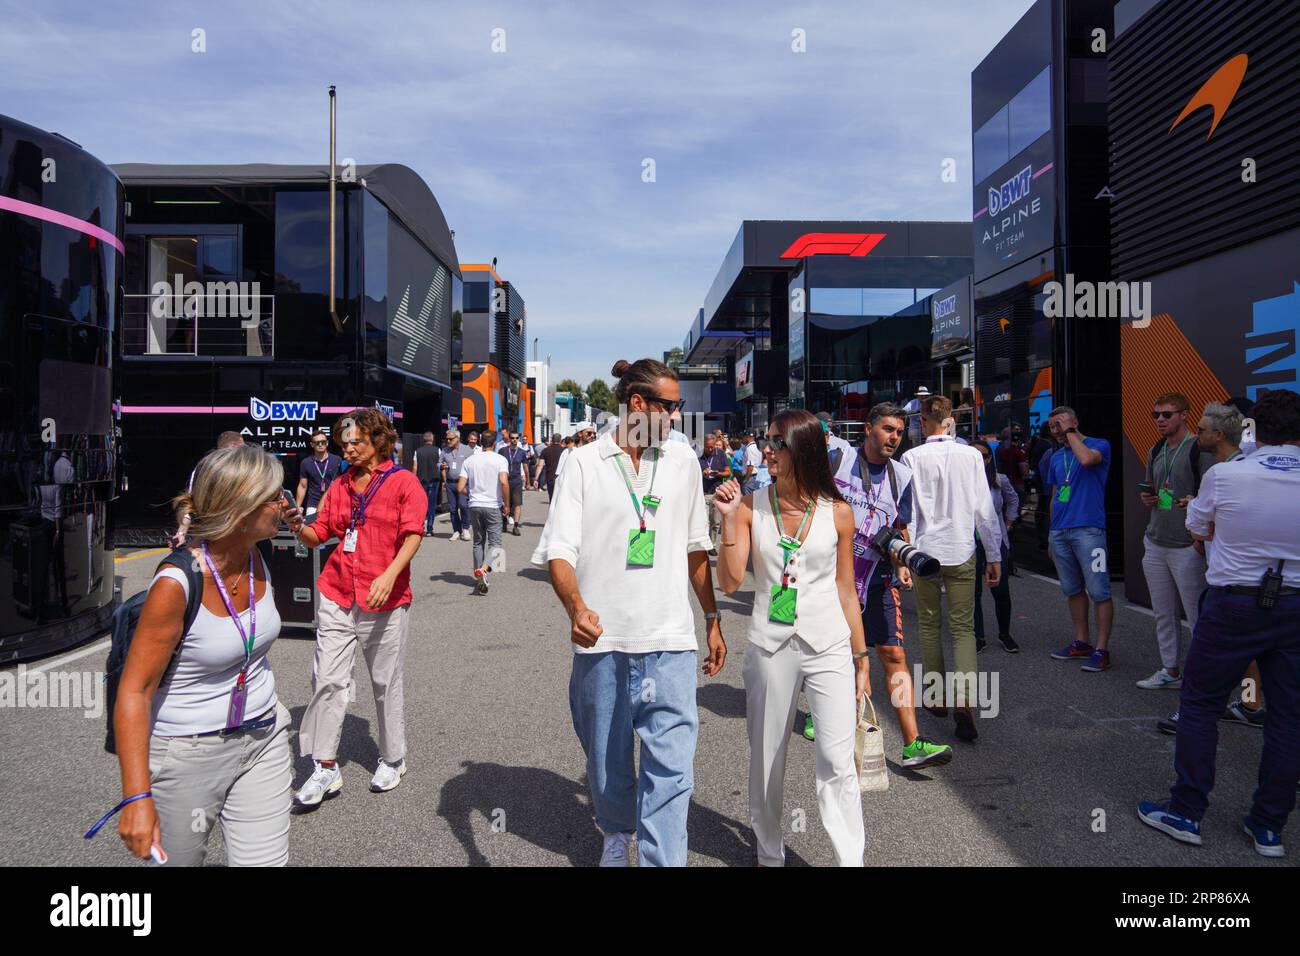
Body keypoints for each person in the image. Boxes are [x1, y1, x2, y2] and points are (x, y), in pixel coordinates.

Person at [532, 358, 726, 867]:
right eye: (670, 405)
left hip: (671, 642)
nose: (678, 415)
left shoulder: (682, 463)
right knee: (607, 762)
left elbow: (694, 547)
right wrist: (575, 607)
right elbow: (560, 551)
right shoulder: (582, 463)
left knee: (672, 770)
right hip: (605, 644)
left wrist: (711, 618)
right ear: (637, 405)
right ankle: (616, 831)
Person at [111, 444, 292, 866]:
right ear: (242, 508)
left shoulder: (257, 557)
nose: (284, 504)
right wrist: (136, 796)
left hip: (263, 737)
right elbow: (134, 691)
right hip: (187, 754)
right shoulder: (176, 583)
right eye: (275, 497)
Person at [1139, 389, 1300, 858]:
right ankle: (1268, 827)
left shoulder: (1228, 476)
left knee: (1200, 705)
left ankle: (1186, 812)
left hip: (1234, 604)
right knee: (1288, 718)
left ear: (1255, 429)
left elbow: (1198, 530)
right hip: (1294, 604)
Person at [713, 409, 868, 866]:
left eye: (777, 442)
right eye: (767, 439)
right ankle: (768, 853)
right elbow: (728, 582)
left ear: (804, 449)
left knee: (838, 761)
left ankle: (850, 859)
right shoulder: (749, 506)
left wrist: (861, 656)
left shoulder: (838, 512)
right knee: (767, 758)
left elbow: (845, 588)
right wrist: (725, 521)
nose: (767, 449)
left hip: (829, 643)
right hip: (770, 645)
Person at [286, 407, 426, 805]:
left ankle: (393, 758)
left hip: (385, 599)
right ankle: (325, 767)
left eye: (355, 442)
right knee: (327, 680)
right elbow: (319, 535)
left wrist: (389, 574)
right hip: (337, 594)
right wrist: (297, 525)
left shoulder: (404, 483)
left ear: (378, 441)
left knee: (384, 683)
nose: (346, 448)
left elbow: (413, 535)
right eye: (342, 442)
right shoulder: (340, 484)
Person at [833, 402, 953, 767]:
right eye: (887, 429)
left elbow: (901, 523)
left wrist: (903, 558)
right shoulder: (837, 461)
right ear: (867, 429)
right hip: (834, 577)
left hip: (878, 578)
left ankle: (912, 743)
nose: (894, 438)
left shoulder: (902, 476)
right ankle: (823, 717)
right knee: (835, 655)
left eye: (899, 432)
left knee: (894, 655)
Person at [899, 393, 1002, 742]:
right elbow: (984, 510)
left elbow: (907, 513)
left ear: (924, 422)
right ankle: (965, 700)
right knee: (963, 628)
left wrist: (904, 555)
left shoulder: (911, 457)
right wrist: (995, 554)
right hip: (961, 548)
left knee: (929, 624)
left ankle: (935, 694)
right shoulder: (972, 455)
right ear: (951, 421)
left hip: (925, 551)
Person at [1156, 402, 1261, 734]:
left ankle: (1192, 714)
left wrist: (1198, 513)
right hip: (1249, 580)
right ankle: (1250, 704)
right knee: (1251, 651)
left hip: (1232, 583)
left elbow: (1200, 527)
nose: (1196, 435)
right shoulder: (1248, 467)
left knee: (1207, 655)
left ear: (1219, 434)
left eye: (1200, 430)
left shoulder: (1224, 472)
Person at [1136, 393, 1213, 690]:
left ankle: (1202, 678)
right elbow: (1153, 490)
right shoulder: (1156, 449)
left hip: (1186, 545)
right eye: (1156, 415)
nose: (1160, 420)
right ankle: (1170, 669)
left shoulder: (1198, 448)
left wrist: (1198, 540)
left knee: (1196, 616)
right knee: (1163, 612)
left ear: (1184, 415)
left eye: (1166, 414)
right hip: (1155, 540)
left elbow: (1212, 494)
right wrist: (1147, 497)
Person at [1042, 406, 1114, 672]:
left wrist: (1071, 433)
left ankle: (1102, 647)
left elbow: (1086, 460)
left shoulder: (1099, 445)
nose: (1057, 431)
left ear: (1074, 423)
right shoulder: (1056, 456)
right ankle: (1082, 641)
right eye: (1053, 427)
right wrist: (1050, 533)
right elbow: (1054, 493)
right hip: (1061, 532)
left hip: (1089, 531)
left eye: (1060, 424)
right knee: (1072, 589)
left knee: (1099, 590)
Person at [970, 440, 1019, 653]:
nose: (979, 460)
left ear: (990, 458)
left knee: (1001, 591)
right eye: (974, 455)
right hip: (970, 543)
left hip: (997, 541)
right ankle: (978, 636)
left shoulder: (1000, 480)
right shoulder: (961, 481)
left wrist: (1009, 521)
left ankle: (1005, 633)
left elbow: (1014, 499)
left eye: (983, 456)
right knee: (973, 592)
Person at [171, 431, 247, 548]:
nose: (244, 452)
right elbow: (192, 501)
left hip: (230, 531)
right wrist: (181, 532)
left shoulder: (202, 468)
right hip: (217, 533)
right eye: (242, 447)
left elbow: (191, 501)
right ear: (233, 447)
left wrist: (181, 532)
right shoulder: (206, 469)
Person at [460, 431, 510, 593]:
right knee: (496, 544)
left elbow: (460, 487)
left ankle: (479, 575)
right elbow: (503, 482)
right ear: (494, 443)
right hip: (492, 504)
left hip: (474, 504)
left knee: (478, 542)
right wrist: (507, 504)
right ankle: (484, 569)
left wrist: (472, 494)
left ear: (481, 442)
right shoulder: (500, 459)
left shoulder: (470, 460)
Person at [296, 430, 347, 520]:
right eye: (317, 443)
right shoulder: (306, 462)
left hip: (333, 502)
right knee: (311, 529)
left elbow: (343, 483)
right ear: (312, 445)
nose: (320, 445)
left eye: (323, 442)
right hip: (313, 503)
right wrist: (297, 507)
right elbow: (303, 486)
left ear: (327, 443)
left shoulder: (337, 460)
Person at [699, 434, 731, 554]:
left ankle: (712, 544)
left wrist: (718, 474)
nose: (710, 449)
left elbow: (728, 472)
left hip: (717, 493)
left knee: (716, 521)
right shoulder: (699, 456)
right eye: (708, 447)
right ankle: (703, 544)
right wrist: (703, 471)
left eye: (712, 447)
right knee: (704, 520)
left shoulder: (720, 454)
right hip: (703, 492)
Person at [443, 429, 476, 541]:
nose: (448, 440)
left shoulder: (467, 450)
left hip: (463, 483)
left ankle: (465, 528)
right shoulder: (445, 450)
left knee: (463, 505)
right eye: (447, 438)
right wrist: (441, 465)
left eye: (451, 439)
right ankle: (456, 530)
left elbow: (473, 466)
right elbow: (439, 462)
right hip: (450, 483)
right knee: (452, 509)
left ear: (457, 439)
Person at [413, 431, 442, 537]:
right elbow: (440, 465)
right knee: (432, 504)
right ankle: (430, 528)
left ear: (423, 440)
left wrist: (414, 480)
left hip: (421, 480)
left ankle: (420, 527)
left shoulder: (417, 451)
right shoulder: (437, 450)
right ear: (432, 439)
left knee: (421, 505)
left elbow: (415, 467)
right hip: (434, 479)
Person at [502, 433, 530, 535]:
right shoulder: (503, 451)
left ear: (519, 439)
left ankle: (515, 526)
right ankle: (504, 522)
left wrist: (528, 481)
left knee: (517, 503)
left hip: (517, 481)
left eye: (516, 438)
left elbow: (526, 467)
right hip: (505, 480)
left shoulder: (522, 452)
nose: (514, 440)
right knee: (505, 503)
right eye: (512, 438)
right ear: (509, 439)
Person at [902, 385, 930, 450]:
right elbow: (903, 411)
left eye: (925, 395)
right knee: (915, 433)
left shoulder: (930, 403)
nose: (924, 397)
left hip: (928, 428)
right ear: (918, 396)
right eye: (921, 395)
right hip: (915, 428)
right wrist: (915, 412)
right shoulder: (913, 402)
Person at [540, 434, 565, 500]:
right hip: (561, 478)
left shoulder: (545, 450)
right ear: (560, 440)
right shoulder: (564, 451)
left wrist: (536, 478)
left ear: (552, 440)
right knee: (560, 499)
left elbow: (540, 465)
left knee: (552, 499)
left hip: (550, 478)